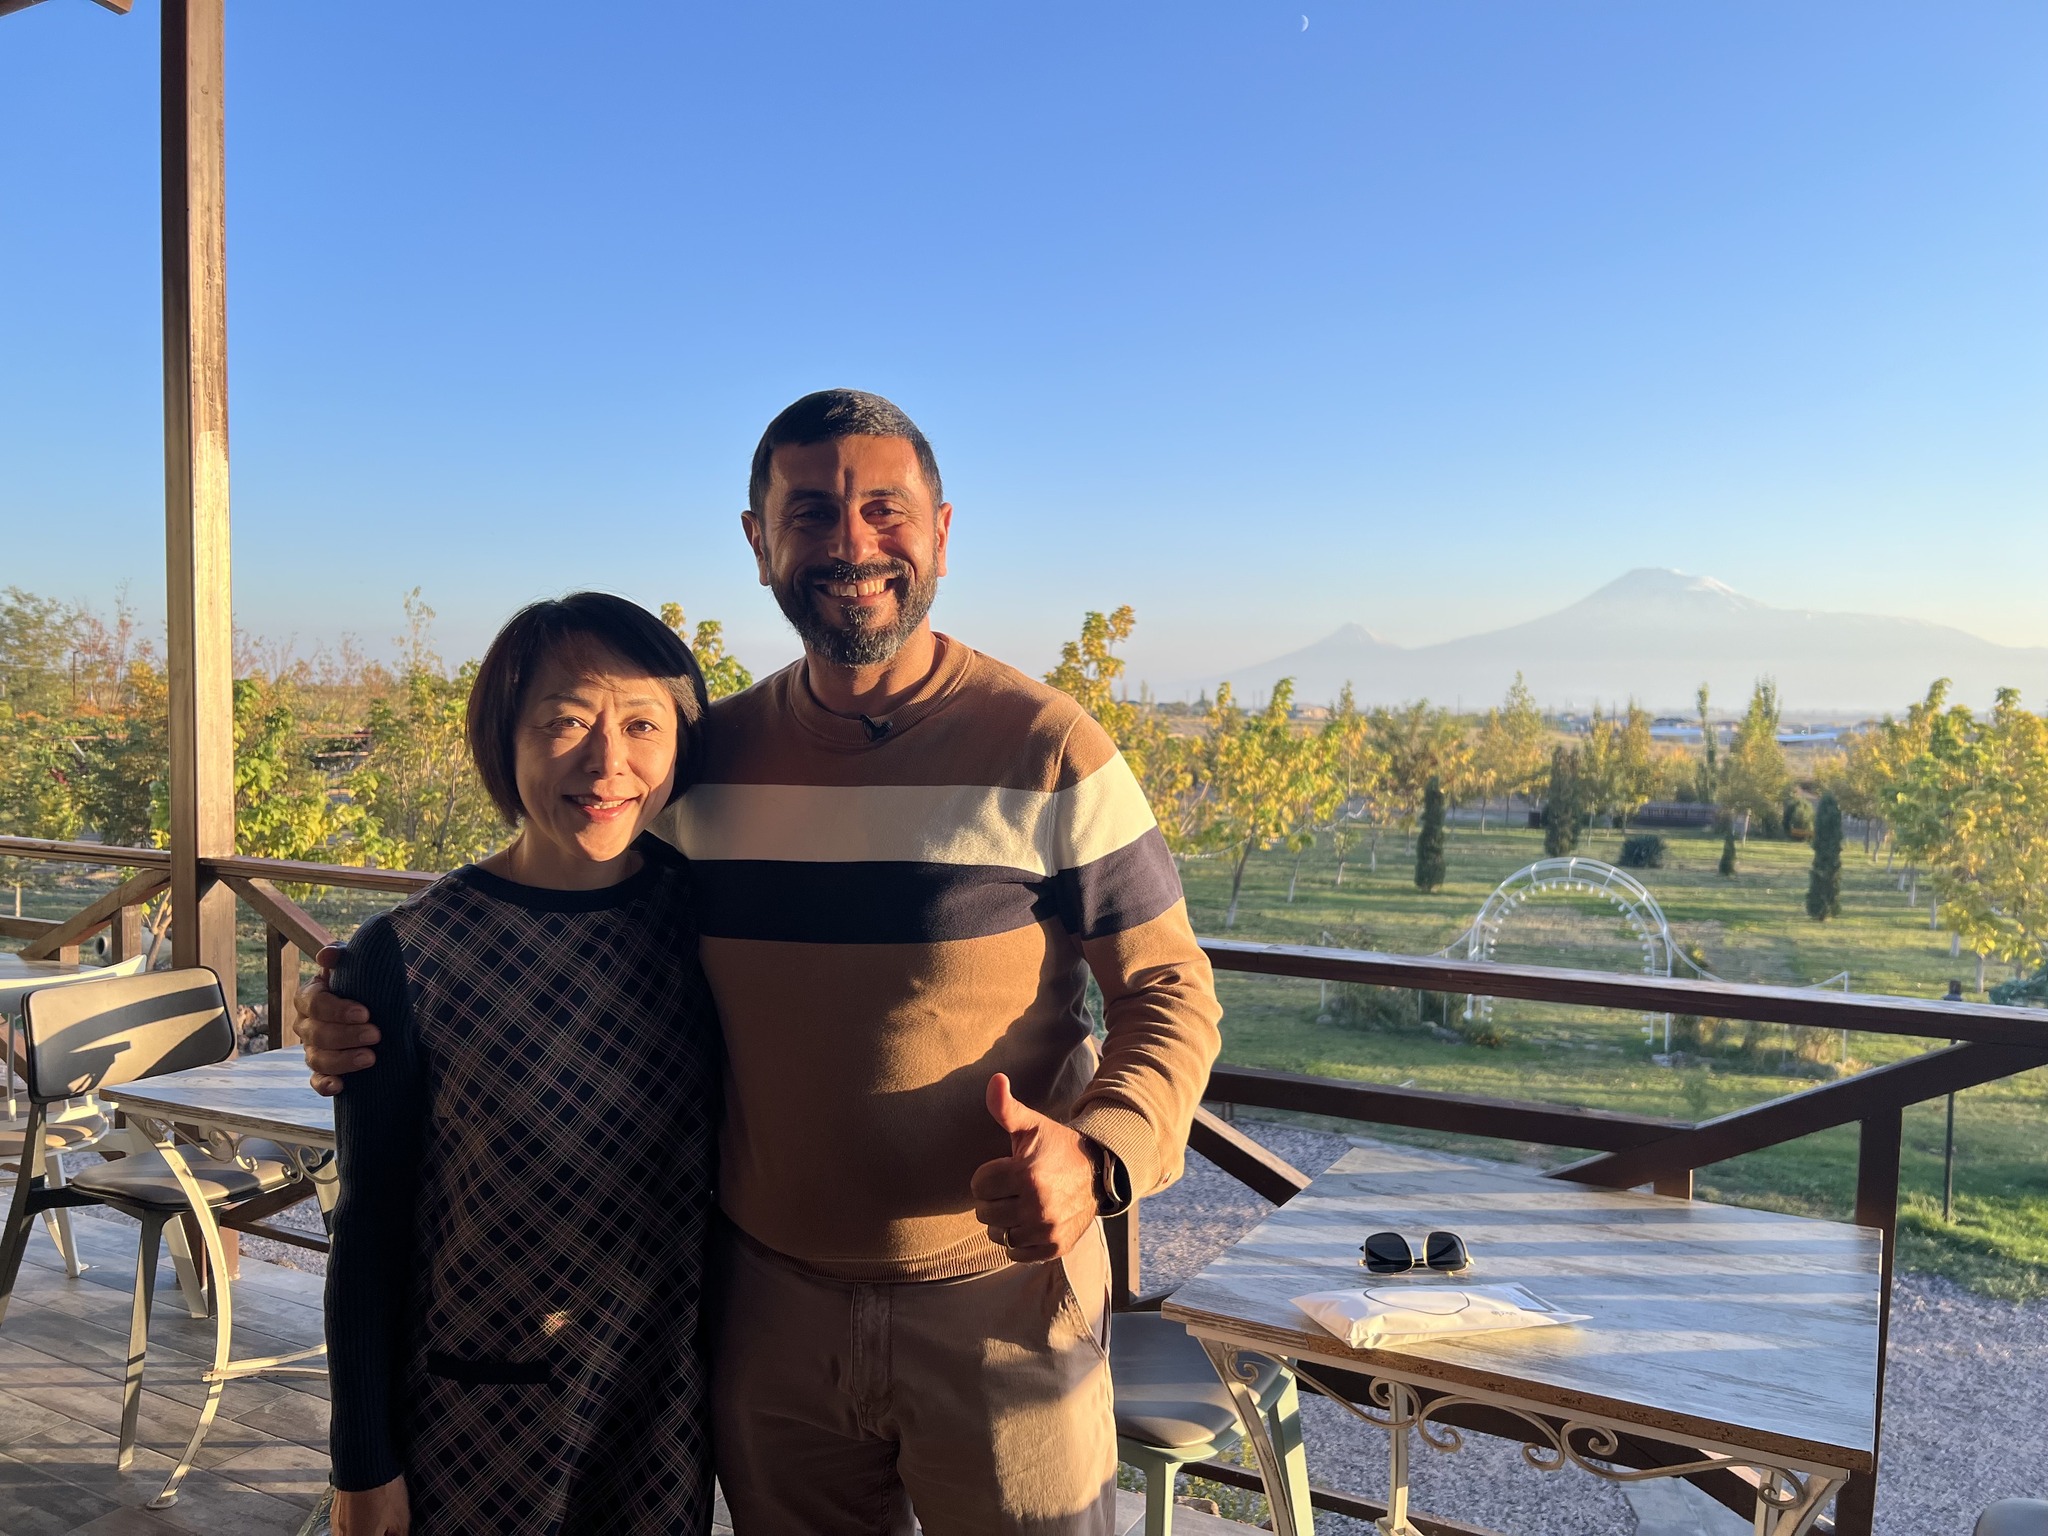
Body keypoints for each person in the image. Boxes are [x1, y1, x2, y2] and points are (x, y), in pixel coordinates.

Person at [304, 390, 1223, 1535]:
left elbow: (1169, 991)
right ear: (758, 542)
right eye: (811, 512)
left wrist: (1097, 1155)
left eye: (883, 508)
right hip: (765, 1314)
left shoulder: (1047, 747)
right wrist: (363, 1001)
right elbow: (565, 894)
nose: (851, 542)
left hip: (993, 1306)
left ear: (940, 531)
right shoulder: (705, 760)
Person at [322, 593, 719, 1536]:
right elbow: (370, 1221)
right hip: (477, 1412)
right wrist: (361, 1460)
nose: (607, 763)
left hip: (666, 1403)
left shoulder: (715, 922)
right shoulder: (409, 953)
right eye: (566, 722)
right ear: (504, 739)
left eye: (643, 725)